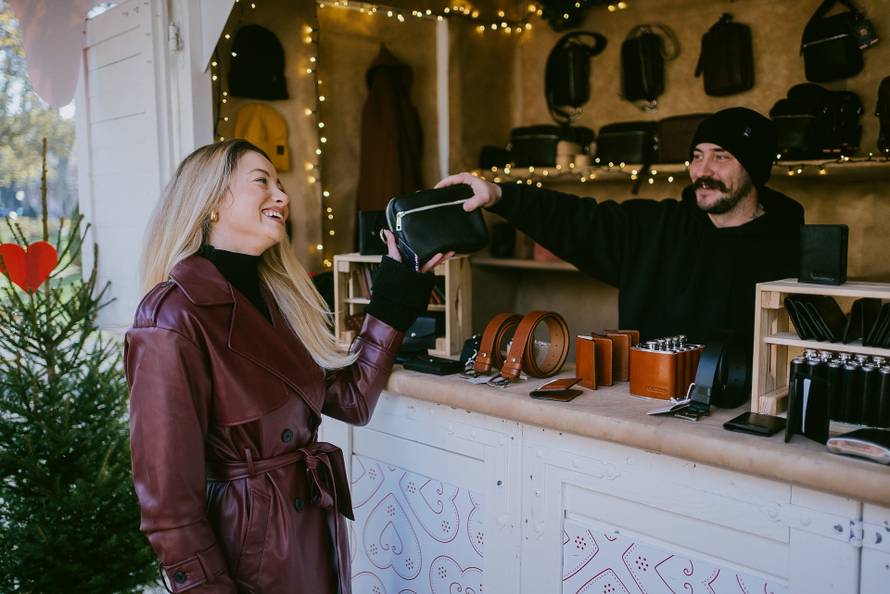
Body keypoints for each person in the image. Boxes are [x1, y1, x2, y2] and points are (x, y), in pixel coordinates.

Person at [125, 139, 450, 594]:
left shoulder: (280, 300)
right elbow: (169, 510)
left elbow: (351, 398)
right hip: (249, 558)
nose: (282, 196)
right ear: (212, 202)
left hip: (314, 538)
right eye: (263, 182)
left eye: (280, 184)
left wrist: (401, 281)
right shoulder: (172, 317)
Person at [439, 107, 804, 347]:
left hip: (745, 425)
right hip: (647, 409)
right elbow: (575, 219)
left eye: (721, 157)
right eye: (697, 156)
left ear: (754, 169)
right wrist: (499, 195)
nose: (702, 171)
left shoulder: (789, 245)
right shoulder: (652, 228)